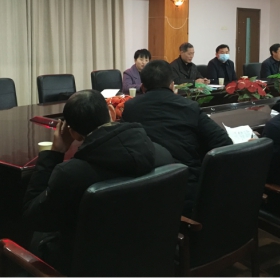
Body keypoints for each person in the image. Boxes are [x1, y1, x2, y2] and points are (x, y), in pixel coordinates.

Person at [23, 90, 173, 274]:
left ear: (73, 133)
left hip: (88, 266)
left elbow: (33, 217)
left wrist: (54, 154)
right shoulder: (163, 156)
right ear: (111, 112)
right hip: (147, 258)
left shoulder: (71, 175)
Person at [122, 60, 232, 215]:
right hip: (186, 190)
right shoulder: (189, 106)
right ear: (172, 84)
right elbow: (224, 143)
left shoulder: (131, 108)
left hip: (145, 192)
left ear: (143, 87)